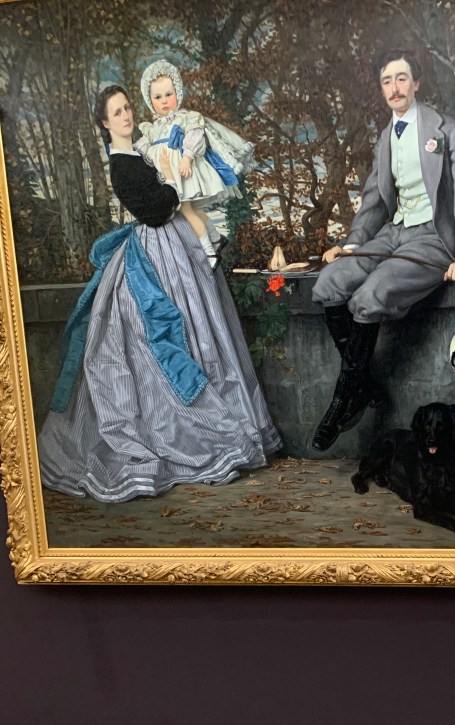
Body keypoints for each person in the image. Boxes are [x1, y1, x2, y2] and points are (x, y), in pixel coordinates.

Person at [36, 85, 281, 504]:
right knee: (163, 338)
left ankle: (221, 419)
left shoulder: (141, 151)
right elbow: (154, 212)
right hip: (156, 251)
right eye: (117, 112)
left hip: (176, 245)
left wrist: (172, 181)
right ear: (105, 123)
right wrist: (171, 184)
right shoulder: (121, 165)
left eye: (127, 108)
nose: (126, 116)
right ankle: (177, 430)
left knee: (202, 326)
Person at [310, 49, 455, 451]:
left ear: (416, 83)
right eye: (387, 81)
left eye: (401, 78)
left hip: (434, 237)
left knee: (370, 295)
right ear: (382, 89)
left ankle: (342, 399)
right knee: (329, 283)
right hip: (395, 232)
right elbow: (375, 198)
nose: (394, 88)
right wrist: (353, 244)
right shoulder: (386, 138)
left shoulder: (449, 130)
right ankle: (363, 386)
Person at [136, 60, 254, 267]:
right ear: (150, 101)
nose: (164, 101)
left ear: (177, 93)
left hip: (181, 171)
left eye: (168, 94)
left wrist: (187, 157)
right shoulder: (153, 128)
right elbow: (145, 147)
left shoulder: (185, 118)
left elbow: (195, 136)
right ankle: (215, 238)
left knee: (186, 210)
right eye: (158, 97)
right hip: (166, 175)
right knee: (186, 209)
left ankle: (209, 252)